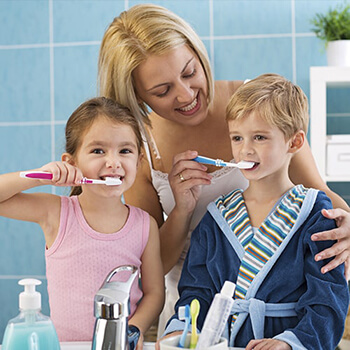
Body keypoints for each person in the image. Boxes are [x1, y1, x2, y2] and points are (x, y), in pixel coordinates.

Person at [98, 3, 350, 335]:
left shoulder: (258, 106)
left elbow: (323, 198)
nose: (187, 94)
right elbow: (152, 265)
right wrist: (182, 209)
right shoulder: (137, 146)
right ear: (136, 95)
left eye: (189, 72)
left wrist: (347, 225)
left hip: (288, 321)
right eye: (162, 91)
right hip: (194, 313)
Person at [160, 74, 350, 349]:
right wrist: (180, 330)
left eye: (259, 137)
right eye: (237, 138)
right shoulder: (218, 216)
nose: (245, 150)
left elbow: (328, 299)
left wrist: (290, 343)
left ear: (294, 143)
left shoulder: (316, 214)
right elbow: (196, 291)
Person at [0, 97, 165, 348]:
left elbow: (154, 293)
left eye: (125, 150)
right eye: (98, 150)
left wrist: (134, 328)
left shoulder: (145, 225)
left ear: (139, 160)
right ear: (72, 163)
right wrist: (41, 177)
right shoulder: (56, 212)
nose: (113, 162)